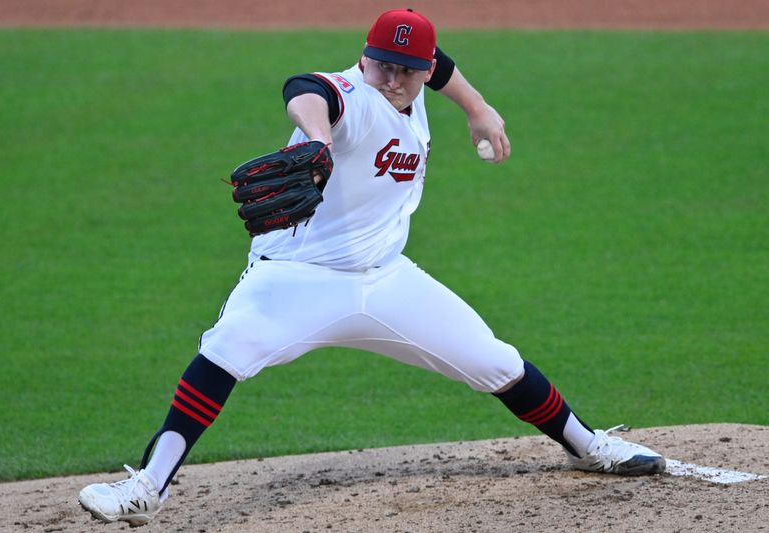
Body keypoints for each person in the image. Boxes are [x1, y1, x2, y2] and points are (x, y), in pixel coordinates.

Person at [78, 8, 665, 527]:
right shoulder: (350, 96)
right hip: (298, 276)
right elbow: (304, 87)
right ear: (365, 57)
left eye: (404, 71)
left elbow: (442, 67)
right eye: (380, 64)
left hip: (386, 280)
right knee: (222, 353)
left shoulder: (419, 79)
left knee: (496, 361)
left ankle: (588, 446)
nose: (390, 79)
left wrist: (480, 110)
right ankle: (145, 489)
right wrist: (317, 139)